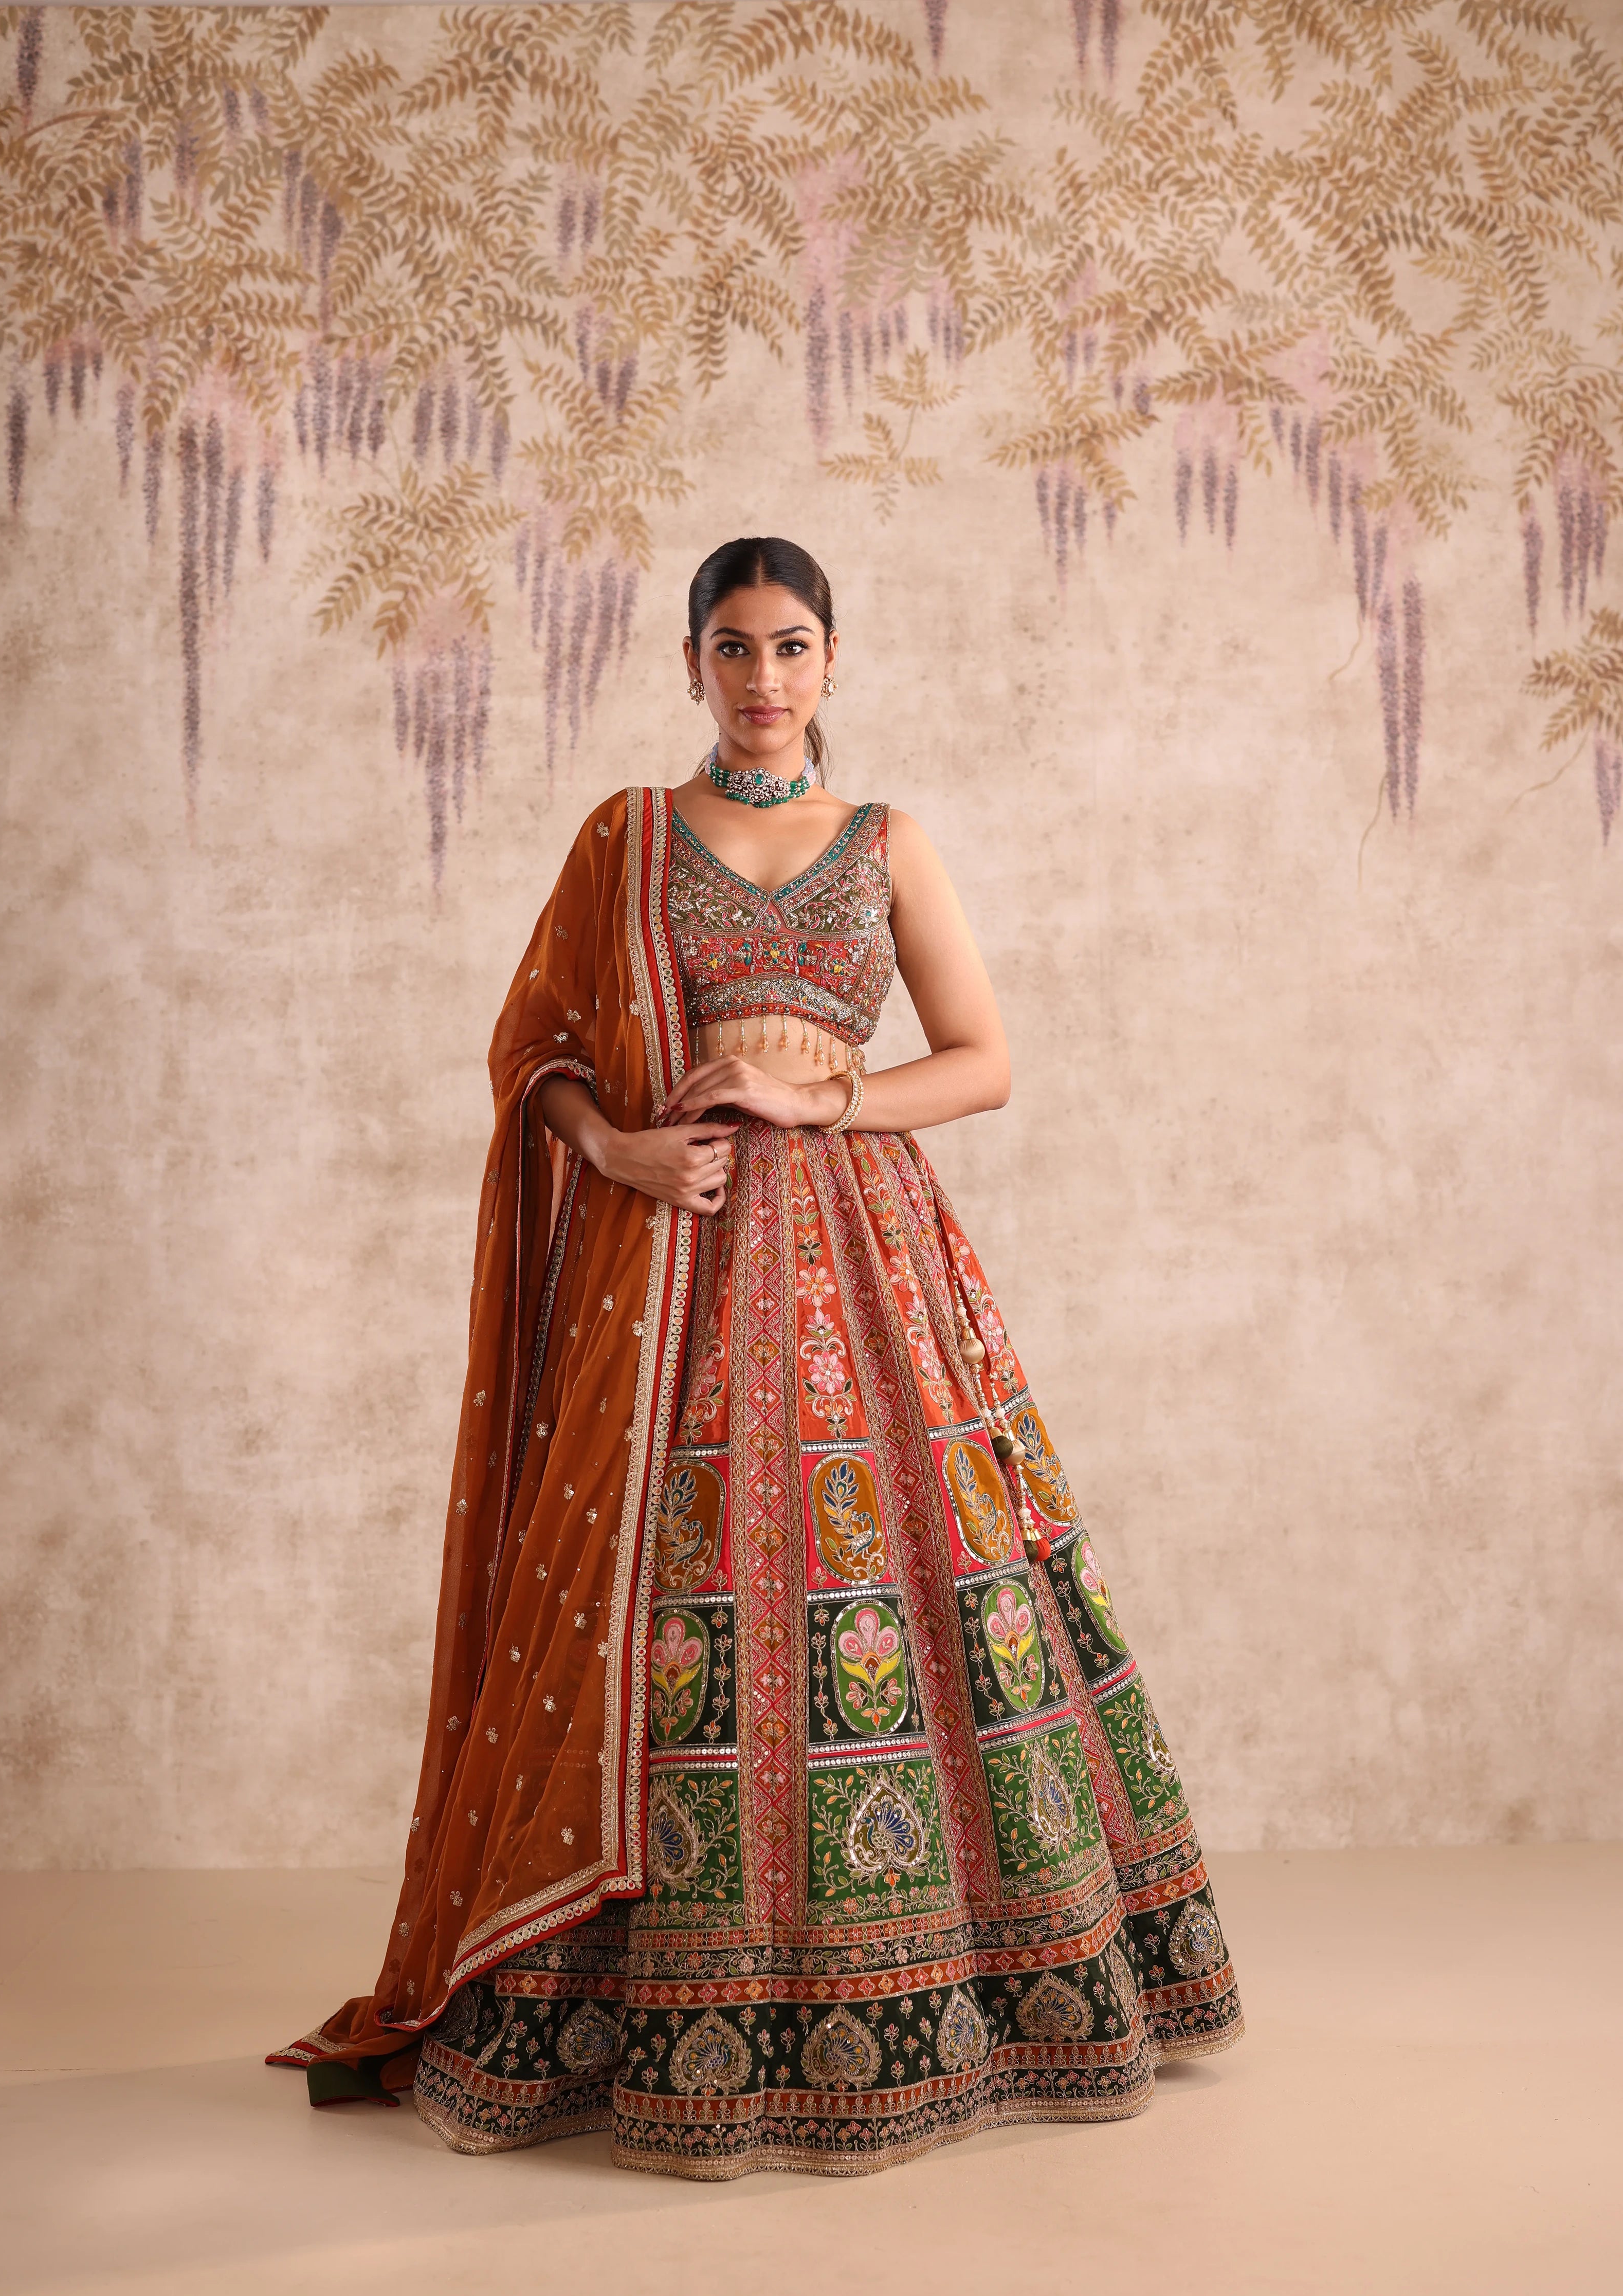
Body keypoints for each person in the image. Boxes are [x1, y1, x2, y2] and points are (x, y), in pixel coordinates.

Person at [270, 535, 1243, 2176]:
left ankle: (963, 1989)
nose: (766, 678)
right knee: (675, 1600)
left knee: (910, 1590)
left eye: (794, 647)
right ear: (692, 663)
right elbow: (539, 1052)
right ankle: (630, 1999)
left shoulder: (885, 843)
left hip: (868, 1259)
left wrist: (820, 1097)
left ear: (836, 659)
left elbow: (984, 1059)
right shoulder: (628, 838)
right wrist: (624, 1152)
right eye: (735, 647)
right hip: (673, 1271)